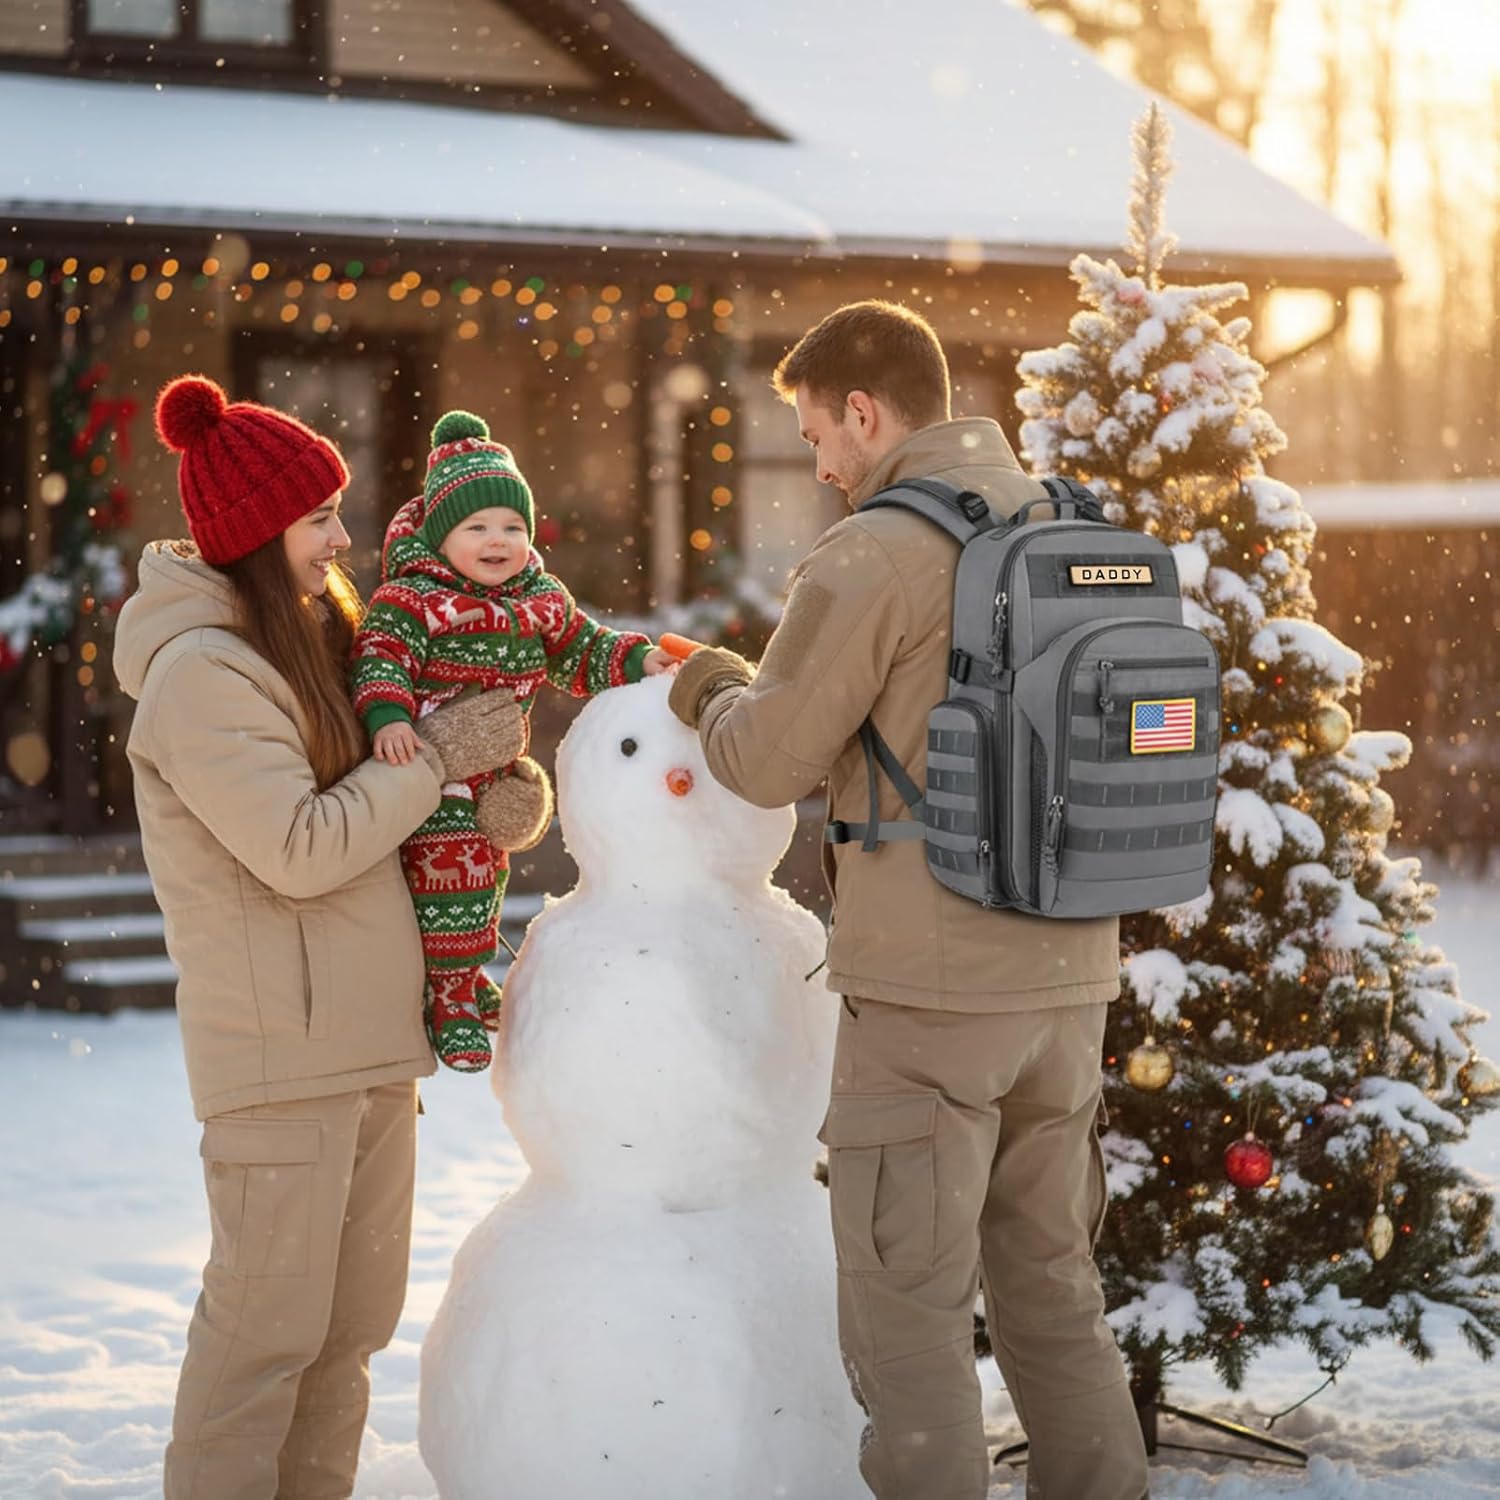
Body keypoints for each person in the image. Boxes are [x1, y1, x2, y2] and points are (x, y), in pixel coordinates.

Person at [668, 302, 1150, 1500]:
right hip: (1070, 973)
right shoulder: (1070, 524)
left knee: (907, 1308)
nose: (818, 464)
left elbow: (768, 760)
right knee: (1053, 1285)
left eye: (816, 434)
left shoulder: (874, 553)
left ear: (864, 411)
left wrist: (712, 689)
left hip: (929, 990)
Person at [115, 374, 525, 1500]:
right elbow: (298, 846)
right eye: (319, 519)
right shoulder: (202, 676)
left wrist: (480, 794)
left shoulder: (305, 641)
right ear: (257, 536)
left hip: (371, 1046)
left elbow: (387, 806)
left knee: (346, 1341)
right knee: (262, 1344)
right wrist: (435, 758)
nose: (344, 540)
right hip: (282, 1062)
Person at [350, 410, 675, 1071]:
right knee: (448, 878)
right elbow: (381, 656)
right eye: (477, 527)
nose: (498, 540)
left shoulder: (540, 600)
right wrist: (388, 716)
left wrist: (639, 660)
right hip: (430, 767)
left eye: (513, 527)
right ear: (441, 536)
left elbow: (582, 648)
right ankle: (446, 997)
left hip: (494, 773)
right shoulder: (413, 600)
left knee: (487, 878)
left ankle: (469, 976)